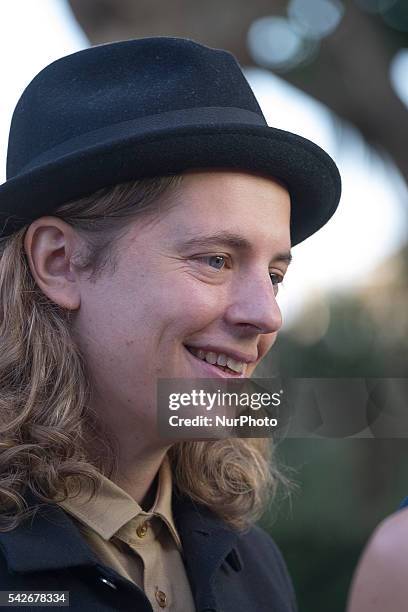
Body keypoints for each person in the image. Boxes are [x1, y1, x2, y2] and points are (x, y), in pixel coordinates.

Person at [0, 37, 341, 611]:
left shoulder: (253, 566)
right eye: (216, 260)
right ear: (59, 262)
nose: (266, 314)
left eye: (276, 275)